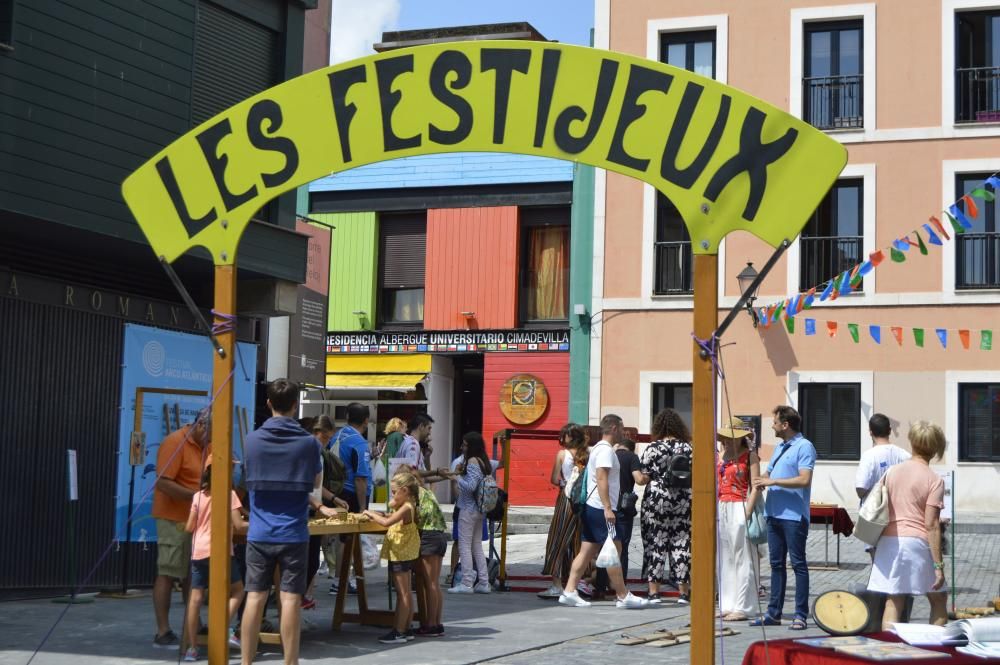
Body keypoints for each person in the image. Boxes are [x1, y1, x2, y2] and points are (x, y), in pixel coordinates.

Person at [240, 379, 340, 665]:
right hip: (294, 532)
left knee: (255, 598)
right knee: (290, 599)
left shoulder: (251, 440)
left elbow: (243, 482)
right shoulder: (309, 443)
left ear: (268, 403)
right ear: (296, 405)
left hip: (259, 532)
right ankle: (290, 661)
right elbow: (316, 482)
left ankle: (246, 661)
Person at [559, 414, 649, 609]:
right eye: (622, 428)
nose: (624, 432)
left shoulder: (599, 449)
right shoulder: (606, 451)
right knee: (615, 549)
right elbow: (602, 478)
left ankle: (569, 590)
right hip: (601, 508)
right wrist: (608, 508)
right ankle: (623, 595)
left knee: (586, 551)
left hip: (593, 507)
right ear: (614, 428)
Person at [868, 421, 948, 629]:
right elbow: (931, 525)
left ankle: (889, 652)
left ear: (912, 443)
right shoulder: (934, 479)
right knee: (938, 599)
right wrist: (938, 566)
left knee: (894, 600)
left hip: (888, 541)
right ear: (936, 448)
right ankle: (934, 650)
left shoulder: (892, 472)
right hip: (916, 542)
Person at [750, 405, 817, 630]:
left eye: (775, 422)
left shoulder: (805, 446)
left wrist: (773, 482)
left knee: (798, 564)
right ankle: (773, 613)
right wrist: (760, 479)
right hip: (773, 513)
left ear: (785, 425)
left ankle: (800, 615)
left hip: (793, 516)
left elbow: (804, 479)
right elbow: (769, 474)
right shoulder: (780, 447)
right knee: (776, 564)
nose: (772, 425)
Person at [151, 407, 212, 649]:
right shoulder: (174, 442)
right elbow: (164, 483)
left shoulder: (208, 444)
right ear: (200, 426)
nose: (214, 440)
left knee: (193, 573)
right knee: (167, 572)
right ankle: (163, 631)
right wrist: (196, 496)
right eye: (212, 435)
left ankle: (194, 624)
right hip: (173, 518)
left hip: (198, 519)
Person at [182, 466, 247, 661]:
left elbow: (189, 526)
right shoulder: (230, 494)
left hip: (198, 551)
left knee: (195, 599)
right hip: (221, 551)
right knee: (237, 590)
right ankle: (221, 628)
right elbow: (239, 525)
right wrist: (262, 523)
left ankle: (192, 648)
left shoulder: (198, 496)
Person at [639, 408, 693, 604]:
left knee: (656, 543)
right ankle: (683, 593)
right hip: (683, 501)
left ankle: (654, 593)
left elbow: (644, 477)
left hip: (657, 500)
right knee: (682, 544)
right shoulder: (688, 448)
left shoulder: (653, 448)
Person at [363, 472, 421, 644]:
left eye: (394, 492)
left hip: (401, 553)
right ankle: (406, 627)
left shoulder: (406, 507)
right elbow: (391, 517)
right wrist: (383, 511)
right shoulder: (406, 505)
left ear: (405, 490)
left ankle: (399, 631)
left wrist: (369, 513)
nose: (392, 495)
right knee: (406, 593)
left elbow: (386, 523)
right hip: (404, 552)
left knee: (402, 594)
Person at [716, 417, 762, 621]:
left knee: (744, 558)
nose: (726, 441)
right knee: (725, 557)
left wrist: (747, 512)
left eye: (730, 437)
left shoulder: (750, 456)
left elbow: (756, 486)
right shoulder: (720, 455)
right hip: (722, 506)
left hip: (740, 504)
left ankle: (744, 605)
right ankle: (727, 603)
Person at [395, 464, 447, 637]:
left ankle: (431, 624)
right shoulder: (425, 490)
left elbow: (409, 519)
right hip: (439, 536)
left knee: (429, 583)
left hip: (429, 536)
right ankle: (436, 623)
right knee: (433, 583)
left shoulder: (412, 496)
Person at [537, 423, 589, 599]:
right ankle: (577, 583)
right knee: (577, 542)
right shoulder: (586, 455)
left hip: (566, 500)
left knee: (557, 539)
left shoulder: (562, 454)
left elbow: (554, 479)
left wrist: (565, 484)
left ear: (569, 437)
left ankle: (557, 584)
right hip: (583, 502)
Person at [594, 438, 643, 598]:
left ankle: (600, 587)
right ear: (632, 448)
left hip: (607, 504)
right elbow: (638, 479)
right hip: (623, 507)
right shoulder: (632, 457)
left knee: (605, 547)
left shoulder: (611, 456)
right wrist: (647, 478)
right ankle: (620, 589)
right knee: (622, 549)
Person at [331, 403, 372, 595]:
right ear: (366, 420)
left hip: (336, 494)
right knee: (352, 539)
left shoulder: (336, 436)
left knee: (342, 538)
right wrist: (363, 508)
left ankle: (339, 581)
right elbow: (361, 478)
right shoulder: (359, 443)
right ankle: (352, 580)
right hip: (352, 494)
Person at [447, 431, 493, 594]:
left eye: (465, 444)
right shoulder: (482, 461)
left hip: (468, 508)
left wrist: (455, 478)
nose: (462, 447)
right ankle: (483, 582)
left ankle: (466, 582)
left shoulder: (473, 461)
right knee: (476, 546)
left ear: (471, 446)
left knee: (465, 546)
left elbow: (470, 486)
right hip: (480, 510)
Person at [856, 413, 910, 502]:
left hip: (873, 512)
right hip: (897, 511)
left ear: (870, 432)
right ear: (889, 431)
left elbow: (861, 488)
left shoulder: (868, 456)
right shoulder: (904, 455)